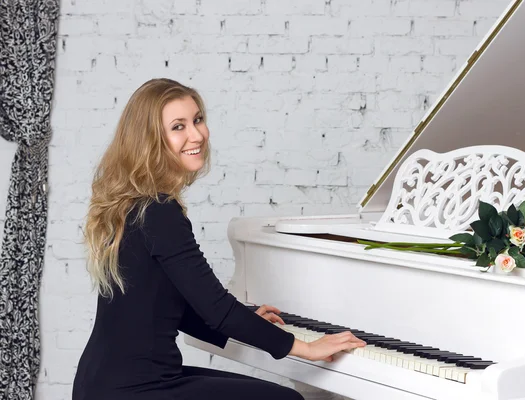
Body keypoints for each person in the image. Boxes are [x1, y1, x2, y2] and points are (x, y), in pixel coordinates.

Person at [72, 78, 366, 400]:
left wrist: (247, 323)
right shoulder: (158, 211)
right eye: (178, 127)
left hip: (105, 383)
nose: (196, 135)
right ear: (150, 140)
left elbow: (167, 306)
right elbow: (216, 308)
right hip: (138, 388)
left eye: (197, 120)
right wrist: (305, 348)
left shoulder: (134, 204)